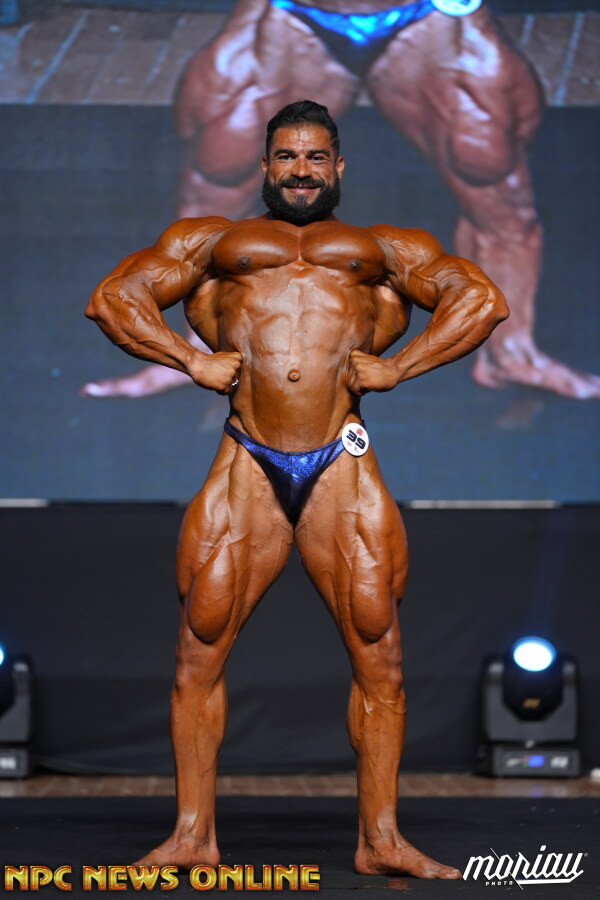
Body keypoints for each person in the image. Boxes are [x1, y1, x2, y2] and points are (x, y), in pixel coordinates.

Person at [85, 101, 508, 878]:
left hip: (340, 462)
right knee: (198, 647)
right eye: (287, 157)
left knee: (380, 651)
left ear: (338, 167)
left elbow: (481, 298)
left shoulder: (382, 251)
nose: (301, 170)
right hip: (247, 458)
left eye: (315, 157)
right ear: (266, 166)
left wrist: (400, 366)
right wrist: (190, 359)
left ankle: (381, 841)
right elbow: (114, 297)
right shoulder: (215, 244)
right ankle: (192, 837)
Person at [81, 0, 600, 402]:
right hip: (294, 13)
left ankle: (512, 351)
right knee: (219, 168)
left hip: (428, 14)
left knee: (490, 173)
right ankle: (196, 346)